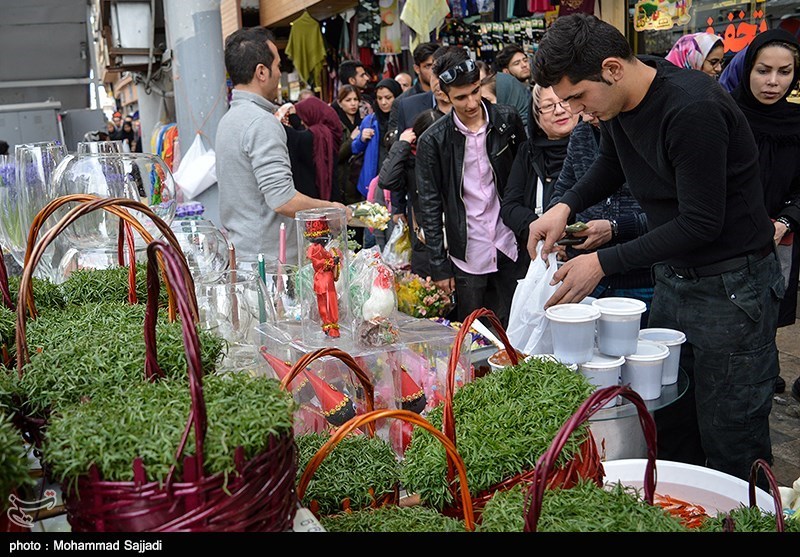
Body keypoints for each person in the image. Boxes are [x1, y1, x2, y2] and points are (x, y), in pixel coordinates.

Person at [529, 13, 783, 488]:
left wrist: (603, 262)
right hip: (675, 279)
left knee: (731, 436)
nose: (579, 112)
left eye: (579, 98)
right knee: (670, 420)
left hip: (731, 289)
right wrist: (565, 204)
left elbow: (701, 222)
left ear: (611, 68)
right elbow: (612, 160)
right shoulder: (624, 97)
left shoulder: (692, 109)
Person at [215, 26, 348, 266]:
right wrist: (332, 210)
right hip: (269, 265)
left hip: (246, 255)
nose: (279, 73)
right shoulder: (261, 122)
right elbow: (282, 199)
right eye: (277, 66)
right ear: (261, 72)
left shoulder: (229, 119)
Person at [415, 50, 527, 328]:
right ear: (444, 96)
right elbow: (429, 205)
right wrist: (439, 267)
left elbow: (526, 174)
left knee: (520, 326)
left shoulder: (506, 120)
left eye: (475, 91)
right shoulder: (433, 140)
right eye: (461, 97)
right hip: (467, 250)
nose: (472, 102)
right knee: (473, 334)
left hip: (510, 240)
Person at [731, 29, 800, 396]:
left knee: (771, 306)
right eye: (763, 70)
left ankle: (765, 369)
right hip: (731, 232)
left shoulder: (796, 121)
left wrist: (786, 220)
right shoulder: (726, 114)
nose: (773, 82)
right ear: (747, 70)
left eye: (784, 72)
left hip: (782, 231)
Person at [548, 111, 654, 325]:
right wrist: (557, 217)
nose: (586, 117)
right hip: (586, 277)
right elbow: (566, 187)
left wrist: (615, 228)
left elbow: (672, 216)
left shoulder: (650, 132)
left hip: (642, 279)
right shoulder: (582, 133)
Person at [500, 84, 579, 267]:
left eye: (565, 101)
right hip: (543, 258)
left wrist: (571, 243)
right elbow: (510, 207)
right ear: (536, 116)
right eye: (549, 106)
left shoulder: (594, 145)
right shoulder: (527, 152)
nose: (559, 110)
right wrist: (546, 233)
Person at [379, 109, 444, 279]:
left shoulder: (452, 156)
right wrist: (401, 145)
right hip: (422, 239)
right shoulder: (411, 160)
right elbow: (386, 180)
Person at [351, 77, 403, 250]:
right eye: (380, 98)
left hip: (396, 184)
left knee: (394, 234)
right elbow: (355, 148)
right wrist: (361, 137)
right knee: (372, 235)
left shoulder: (402, 119)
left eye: (388, 98)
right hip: (373, 185)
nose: (383, 102)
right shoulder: (370, 120)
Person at [277, 96, 343, 202]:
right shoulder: (329, 131)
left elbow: (297, 138)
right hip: (333, 191)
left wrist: (293, 117)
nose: (303, 122)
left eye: (303, 117)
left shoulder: (318, 134)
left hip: (315, 192)